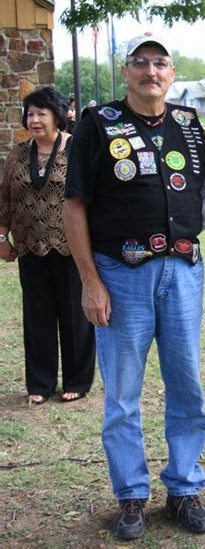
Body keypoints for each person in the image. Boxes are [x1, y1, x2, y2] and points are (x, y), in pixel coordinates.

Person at [63, 33, 205, 541]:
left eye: (161, 63)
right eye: (141, 63)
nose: (152, 71)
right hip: (121, 276)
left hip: (183, 273)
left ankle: (184, 487)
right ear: (126, 71)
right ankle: (130, 495)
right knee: (123, 393)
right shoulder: (96, 125)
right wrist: (90, 281)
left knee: (187, 385)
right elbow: (74, 205)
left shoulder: (191, 127)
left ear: (172, 74)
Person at [0, 86, 95, 405]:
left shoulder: (76, 148)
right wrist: (2, 237)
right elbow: (4, 198)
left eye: (42, 113)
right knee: (36, 317)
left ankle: (77, 380)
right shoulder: (18, 154)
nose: (35, 119)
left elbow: (90, 196)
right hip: (29, 247)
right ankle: (39, 383)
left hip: (72, 247)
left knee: (74, 316)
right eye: (30, 113)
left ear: (57, 116)